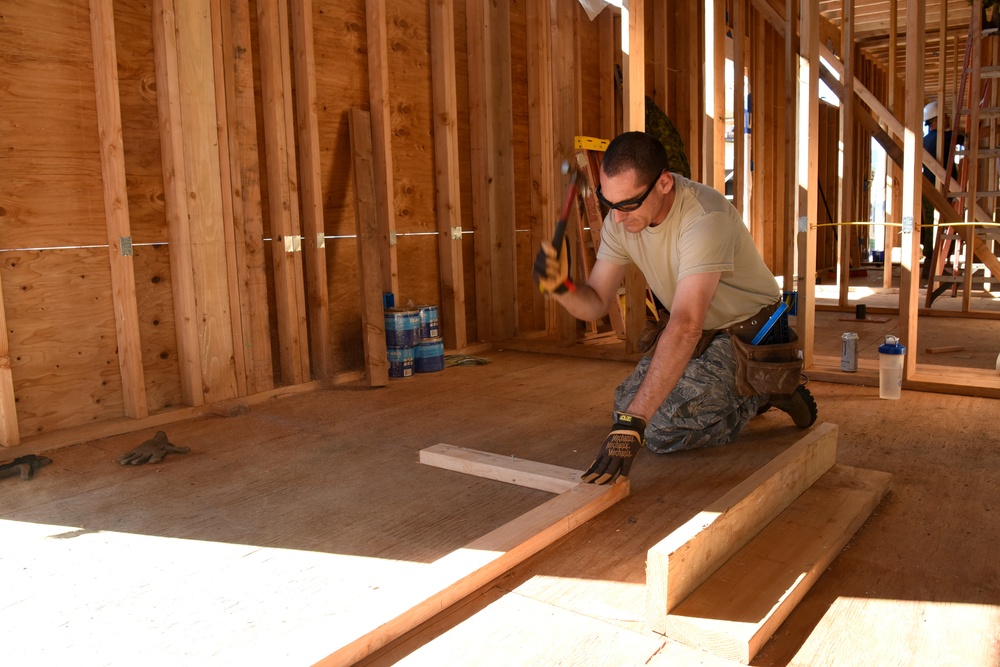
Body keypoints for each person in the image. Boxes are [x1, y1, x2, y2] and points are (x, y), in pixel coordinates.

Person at [533, 131, 817, 485]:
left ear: (664, 183)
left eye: (628, 205)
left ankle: (768, 389)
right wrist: (562, 287)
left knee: (660, 431)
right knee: (624, 404)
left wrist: (636, 423)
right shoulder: (621, 220)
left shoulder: (704, 218)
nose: (617, 219)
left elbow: (685, 326)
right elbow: (595, 303)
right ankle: (744, 392)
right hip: (703, 331)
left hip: (750, 331)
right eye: (609, 203)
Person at [920, 100, 962, 279]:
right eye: (944, 116)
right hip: (940, 193)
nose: (947, 119)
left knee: (931, 229)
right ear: (935, 119)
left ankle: (930, 268)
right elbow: (971, 137)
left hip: (928, 191)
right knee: (943, 229)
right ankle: (932, 269)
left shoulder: (925, 139)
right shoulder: (943, 138)